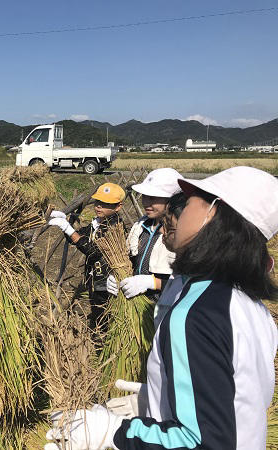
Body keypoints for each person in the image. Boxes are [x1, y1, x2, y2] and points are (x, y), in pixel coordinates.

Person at [44, 166, 278, 449]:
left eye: (191, 201)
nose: (175, 213)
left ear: (212, 214)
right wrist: (163, 395)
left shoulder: (196, 314)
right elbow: (242, 397)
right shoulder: (248, 305)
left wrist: (114, 432)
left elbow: (204, 442)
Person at [48, 183, 126, 330]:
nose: (98, 206)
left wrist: (67, 229)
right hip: (94, 278)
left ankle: (101, 341)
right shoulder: (98, 223)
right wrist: (66, 225)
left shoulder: (115, 227)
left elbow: (93, 250)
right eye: (98, 202)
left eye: (105, 204)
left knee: (103, 314)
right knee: (96, 310)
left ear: (118, 207)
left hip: (106, 280)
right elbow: (80, 236)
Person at [107, 168, 183, 301]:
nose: (146, 203)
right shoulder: (141, 226)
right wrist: (116, 275)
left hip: (167, 308)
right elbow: (130, 259)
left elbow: (192, 284)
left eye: (153, 198)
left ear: (173, 199)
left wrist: (154, 283)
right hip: (140, 305)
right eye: (145, 196)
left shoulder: (183, 233)